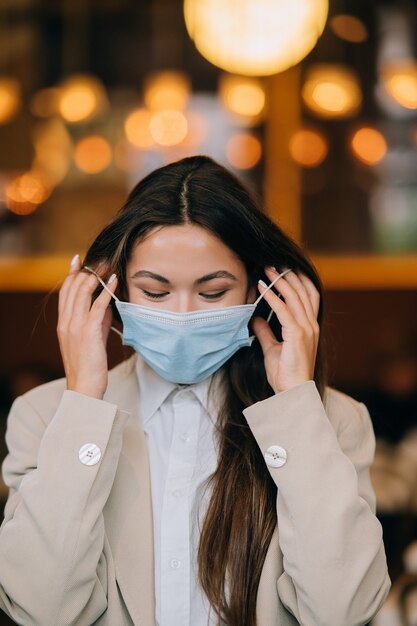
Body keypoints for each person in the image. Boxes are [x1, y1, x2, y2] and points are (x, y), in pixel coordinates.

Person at [0, 155, 390, 626]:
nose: (183, 315)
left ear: (260, 291)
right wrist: (83, 400)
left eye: (212, 293)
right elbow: (39, 609)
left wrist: (295, 407)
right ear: (111, 289)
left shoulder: (332, 420)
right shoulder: (43, 417)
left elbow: (342, 613)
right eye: (155, 292)